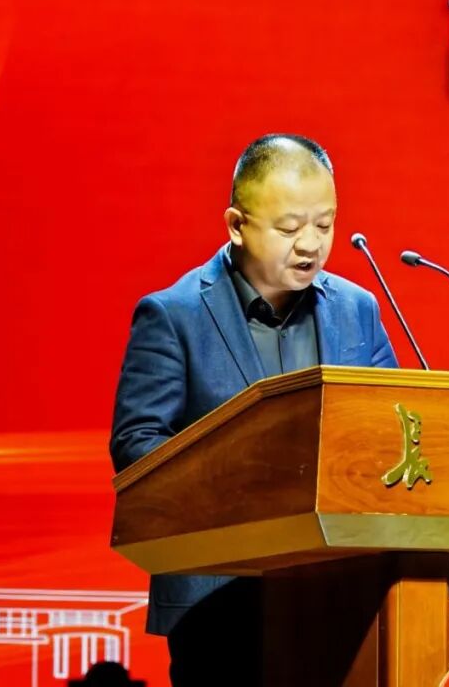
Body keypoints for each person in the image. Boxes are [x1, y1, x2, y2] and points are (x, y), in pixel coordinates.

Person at [109, 133, 398, 684]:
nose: (311, 245)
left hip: (340, 592)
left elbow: (393, 427)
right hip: (218, 598)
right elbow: (138, 446)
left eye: (325, 225)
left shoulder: (357, 309)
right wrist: (250, 481)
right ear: (237, 225)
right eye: (289, 229)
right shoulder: (174, 315)